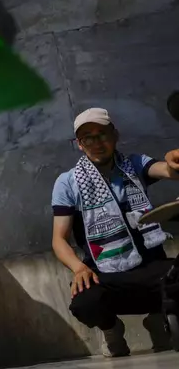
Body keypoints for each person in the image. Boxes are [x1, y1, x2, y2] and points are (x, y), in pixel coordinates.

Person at [51, 107, 179, 358]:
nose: (96, 143)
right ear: (79, 144)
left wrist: (173, 158)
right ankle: (111, 329)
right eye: (88, 137)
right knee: (84, 301)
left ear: (115, 135)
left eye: (102, 134)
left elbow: (167, 169)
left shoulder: (134, 164)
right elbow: (59, 240)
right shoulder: (67, 183)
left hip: (152, 269)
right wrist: (79, 268)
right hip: (107, 276)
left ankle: (158, 318)